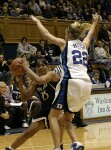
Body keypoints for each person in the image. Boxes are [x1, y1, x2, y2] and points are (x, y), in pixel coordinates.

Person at [28, 13, 99, 150]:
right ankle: (76, 142)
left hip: (71, 81)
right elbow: (90, 35)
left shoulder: (65, 44)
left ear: (68, 34)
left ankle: (57, 148)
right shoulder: (84, 45)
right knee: (65, 118)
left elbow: (46, 34)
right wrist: (95, 22)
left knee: (52, 117)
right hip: (86, 84)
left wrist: (37, 21)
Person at [5, 58, 60, 150]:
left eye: (43, 65)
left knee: (64, 128)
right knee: (28, 132)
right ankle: (10, 148)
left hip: (57, 107)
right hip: (45, 108)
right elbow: (24, 98)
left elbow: (40, 80)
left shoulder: (52, 74)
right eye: (39, 66)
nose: (41, 67)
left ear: (48, 67)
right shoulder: (35, 82)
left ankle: (58, 147)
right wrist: (20, 79)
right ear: (36, 69)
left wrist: (25, 68)